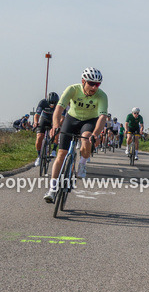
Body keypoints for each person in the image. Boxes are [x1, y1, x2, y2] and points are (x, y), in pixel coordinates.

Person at [44, 68, 109, 203]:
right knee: (61, 154)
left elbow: (102, 117)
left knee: (86, 140)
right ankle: (52, 189)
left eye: (97, 84)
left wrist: (96, 134)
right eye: (91, 83)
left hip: (89, 121)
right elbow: (59, 108)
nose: (94, 87)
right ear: (83, 81)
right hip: (72, 119)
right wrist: (55, 125)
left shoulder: (102, 96)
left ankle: (83, 163)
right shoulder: (72, 89)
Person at [33, 92, 60, 166]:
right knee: (39, 137)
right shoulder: (43, 102)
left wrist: (57, 125)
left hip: (54, 120)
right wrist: (36, 122)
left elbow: (61, 117)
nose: (52, 106)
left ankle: (54, 150)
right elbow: (37, 115)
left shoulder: (59, 104)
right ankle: (39, 156)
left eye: (53, 104)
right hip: (44, 119)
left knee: (56, 133)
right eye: (50, 104)